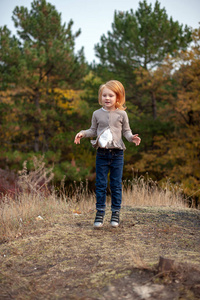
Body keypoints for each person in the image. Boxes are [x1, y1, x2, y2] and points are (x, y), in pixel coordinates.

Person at [74, 80, 141, 228]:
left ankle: (115, 212)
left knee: (116, 184)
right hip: (102, 154)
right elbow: (93, 130)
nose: (107, 98)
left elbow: (126, 131)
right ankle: (100, 213)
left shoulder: (122, 114)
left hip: (117, 155)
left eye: (111, 95)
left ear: (118, 97)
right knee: (101, 184)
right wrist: (83, 133)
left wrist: (131, 138)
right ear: (101, 97)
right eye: (104, 95)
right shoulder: (97, 114)